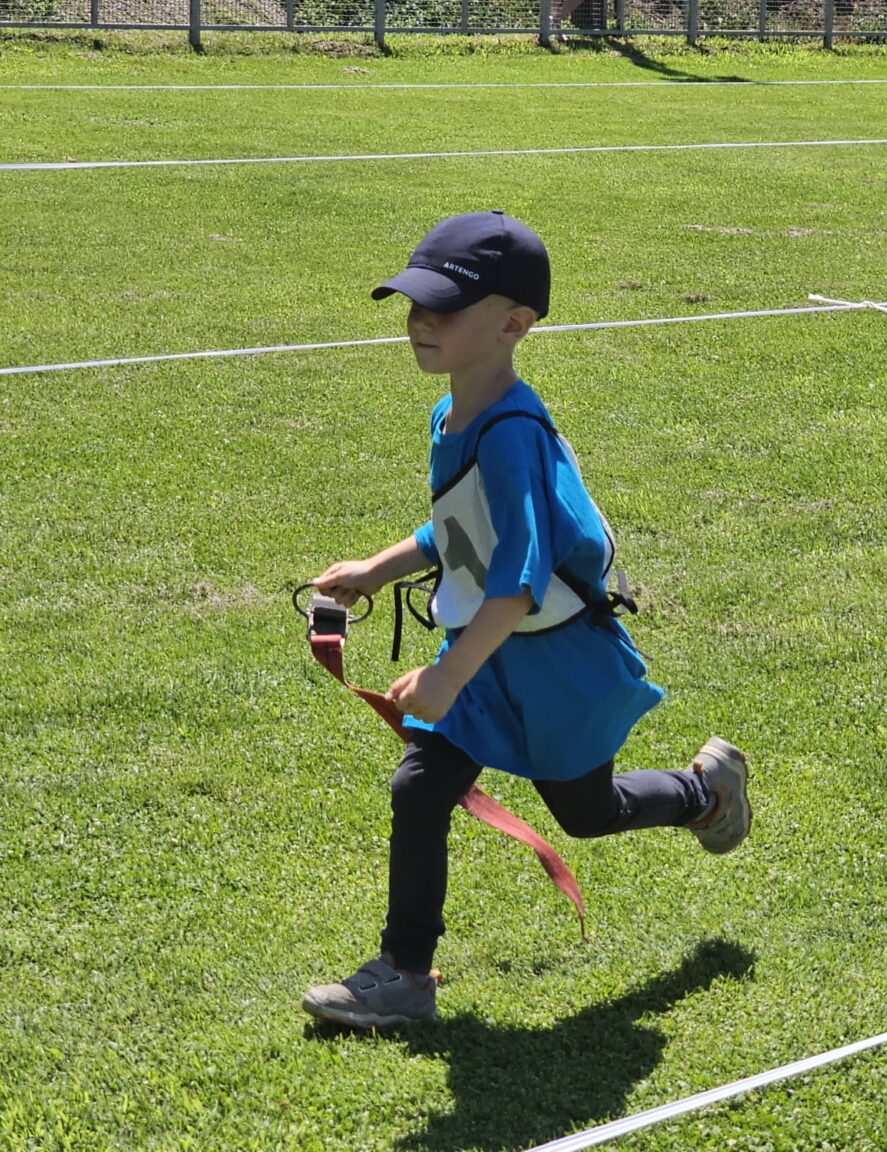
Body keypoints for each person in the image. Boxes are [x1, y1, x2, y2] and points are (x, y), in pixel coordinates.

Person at [301, 211, 752, 1030]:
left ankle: (703, 793)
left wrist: (446, 676)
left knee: (586, 813)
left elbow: (518, 580)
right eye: (414, 303)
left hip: (551, 663)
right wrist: (378, 568)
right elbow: (462, 529)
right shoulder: (453, 416)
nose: (420, 320)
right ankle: (403, 975)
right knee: (419, 789)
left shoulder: (511, 433)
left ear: (513, 326)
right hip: (489, 655)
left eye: (445, 307)